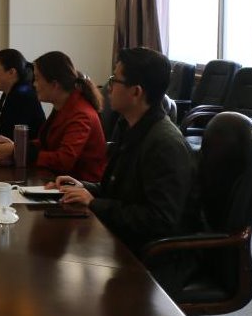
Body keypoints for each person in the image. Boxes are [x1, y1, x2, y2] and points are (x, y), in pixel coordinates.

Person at [53, 47, 199, 267]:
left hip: (157, 257)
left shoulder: (164, 144)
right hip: (126, 240)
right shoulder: (130, 126)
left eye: (115, 80)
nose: (109, 87)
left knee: (62, 262)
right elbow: (121, 191)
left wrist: (94, 203)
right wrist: (83, 187)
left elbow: (159, 220)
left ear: (136, 92)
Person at [0, 51, 106, 181]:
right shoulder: (63, 105)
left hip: (80, 184)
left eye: (37, 79)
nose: (34, 84)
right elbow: (45, 143)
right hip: (57, 179)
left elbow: (63, 161)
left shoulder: (81, 114)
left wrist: (18, 151)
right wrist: (17, 147)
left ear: (55, 85)